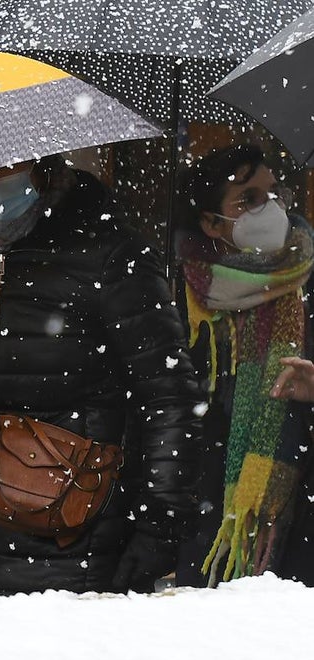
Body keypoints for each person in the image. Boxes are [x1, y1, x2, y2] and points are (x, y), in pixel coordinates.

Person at [0, 156, 203, 604]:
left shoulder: (109, 253)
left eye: (5, 162)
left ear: (40, 157)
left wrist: (158, 526)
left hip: (81, 544)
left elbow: (168, 396)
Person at [173, 143, 314, 586]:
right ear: (212, 223)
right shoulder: (183, 298)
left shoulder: (307, 278)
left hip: (295, 526)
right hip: (202, 519)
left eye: (273, 193)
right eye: (248, 199)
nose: (269, 208)